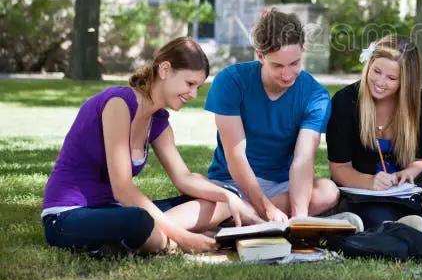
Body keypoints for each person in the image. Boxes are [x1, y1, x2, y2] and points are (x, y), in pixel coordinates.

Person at [42, 37, 260, 255]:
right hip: (69, 215)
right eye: (190, 84)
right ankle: (162, 239)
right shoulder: (119, 103)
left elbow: (184, 178)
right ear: (165, 70)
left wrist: (229, 197)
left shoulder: (158, 121)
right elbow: (122, 189)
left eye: (198, 87)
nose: (193, 95)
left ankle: (144, 239)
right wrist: (184, 237)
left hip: (113, 211)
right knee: (139, 221)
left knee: (220, 201)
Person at [205, 8, 339, 222]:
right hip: (232, 181)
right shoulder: (231, 81)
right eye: (277, 65)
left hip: (282, 186)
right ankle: (245, 216)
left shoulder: (316, 96)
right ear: (260, 56)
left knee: (328, 191)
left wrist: (300, 219)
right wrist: (266, 207)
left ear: (303, 50)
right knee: (215, 203)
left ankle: (237, 218)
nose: (287, 75)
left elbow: (303, 161)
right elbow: (236, 157)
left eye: (294, 63)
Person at [327, 35, 422, 230]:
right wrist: (370, 182)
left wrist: (409, 172)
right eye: (376, 71)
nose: (380, 82)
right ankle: (396, 226)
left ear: (406, 82)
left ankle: (401, 225)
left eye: (391, 78)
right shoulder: (345, 101)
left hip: (403, 192)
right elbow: (339, 167)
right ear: (369, 64)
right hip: (362, 190)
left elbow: (421, 160)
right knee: (377, 214)